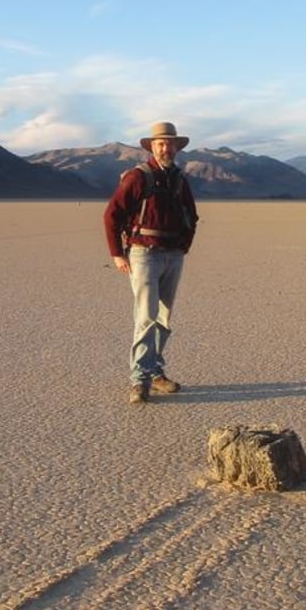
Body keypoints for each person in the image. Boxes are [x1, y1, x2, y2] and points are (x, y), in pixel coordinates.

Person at [103, 121, 199, 405]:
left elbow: (191, 216)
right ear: (152, 147)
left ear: (176, 148)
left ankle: (155, 372)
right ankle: (139, 380)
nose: (165, 148)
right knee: (146, 317)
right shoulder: (138, 177)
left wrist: (184, 247)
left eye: (170, 143)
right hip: (144, 253)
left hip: (172, 255)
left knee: (164, 318)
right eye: (160, 143)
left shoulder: (179, 179)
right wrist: (117, 253)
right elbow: (112, 215)